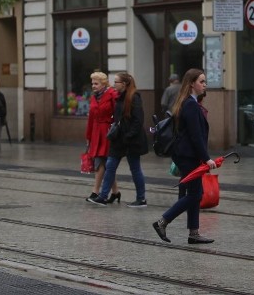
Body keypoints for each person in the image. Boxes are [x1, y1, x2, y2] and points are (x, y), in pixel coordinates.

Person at [152, 68, 215, 245]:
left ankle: (193, 233)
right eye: (201, 81)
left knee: (195, 193)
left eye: (205, 81)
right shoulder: (190, 105)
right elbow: (195, 136)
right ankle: (162, 222)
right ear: (191, 84)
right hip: (188, 156)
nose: (205, 85)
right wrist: (207, 158)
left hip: (186, 155)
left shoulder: (188, 102)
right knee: (195, 194)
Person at [89, 72, 149, 207]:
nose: (114, 84)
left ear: (124, 84)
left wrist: (129, 135)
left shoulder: (134, 97)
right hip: (118, 139)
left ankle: (141, 199)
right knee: (110, 165)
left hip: (131, 140)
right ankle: (103, 196)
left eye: (116, 82)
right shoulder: (119, 97)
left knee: (135, 168)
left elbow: (138, 121)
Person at [85, 71, 119, 203]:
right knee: (106, 164)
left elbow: (118, 113)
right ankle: (115, 192)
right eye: (92, 83)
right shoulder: (94, 97)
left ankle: (95, 192)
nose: (93, 86)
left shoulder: (112, 95)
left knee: (100, 163)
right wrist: (88, 136)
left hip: (108, 132)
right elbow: (91, 119)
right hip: (95, 133)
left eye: (96, 83)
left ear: (104, 84)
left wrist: (115, 128)